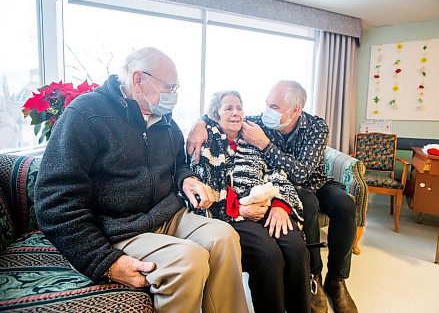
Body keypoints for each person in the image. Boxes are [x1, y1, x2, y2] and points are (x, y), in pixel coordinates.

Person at [34, 47, 249, 313]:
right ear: (138, 79)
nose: (174, 95)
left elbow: (179, 164)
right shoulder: (86, 113)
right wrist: (103, 261)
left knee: (224, 235)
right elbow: (54, 200)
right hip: (118, 226)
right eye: (170, 87)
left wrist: (186, 179)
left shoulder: (166, 121)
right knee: (188, 261)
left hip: (166, 215)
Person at [188, 81, 358, 313]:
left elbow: (298, 174)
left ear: (295, 110)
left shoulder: (314, 127)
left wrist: (280, 200)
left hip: (309, 182)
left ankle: (335, 280)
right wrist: (199, 123)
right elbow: (218, 114)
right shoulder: (247, 128)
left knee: (342, 207)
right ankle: (314, 276)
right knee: (276, 247)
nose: (266, 111)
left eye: (274, 106)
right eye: (267, 104)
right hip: (264, 200)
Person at [190, 91, 311, 313]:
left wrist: (280, 205)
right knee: (268, 254)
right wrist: (240, 209)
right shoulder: (206, 144)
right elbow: (204, 189)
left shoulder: (252, 140)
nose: (236, 113)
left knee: (296, 248)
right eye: (228, 108)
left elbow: (277, 174)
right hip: (231, 216)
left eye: (239, 107)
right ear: (216, 115)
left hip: (267, 207)